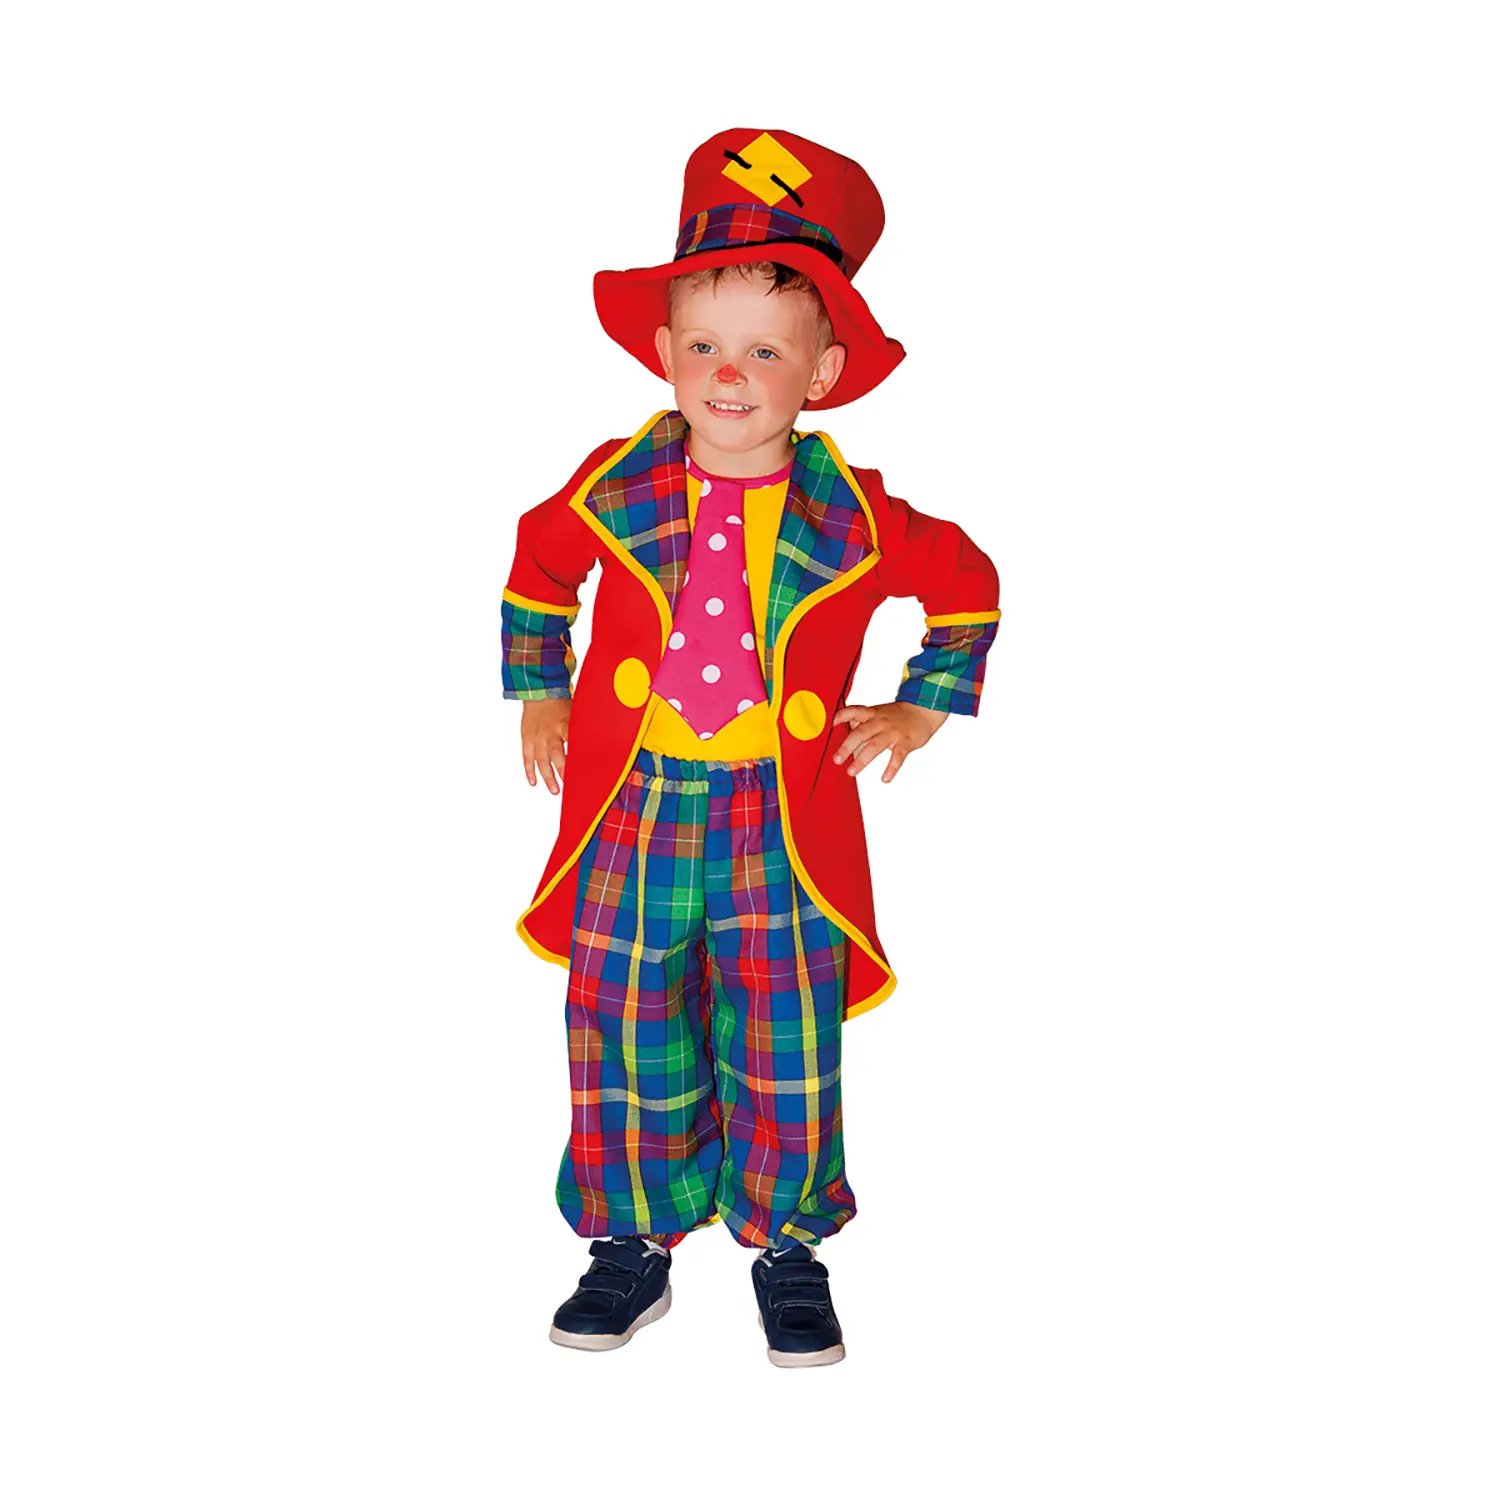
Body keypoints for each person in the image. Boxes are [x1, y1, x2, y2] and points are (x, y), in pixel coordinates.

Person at [500, 128, 1001, 1367]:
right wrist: (539, 690)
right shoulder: (614, 484)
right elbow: (539, 566)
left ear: (821, 372)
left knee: (783, 1031)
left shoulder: (856, 513)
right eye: (705, 346)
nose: (729, 375)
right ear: (663, 351)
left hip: (780, 822)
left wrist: (920, 706)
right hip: (635, 807)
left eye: (765, 351)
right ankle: (632, 1240)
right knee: (623, 1016)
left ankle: (786, 1244)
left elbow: (968, 584)